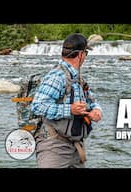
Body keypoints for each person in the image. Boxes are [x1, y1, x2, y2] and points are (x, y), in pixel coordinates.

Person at [31, 33, 102, 168]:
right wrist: (69, 109)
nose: (85, 56)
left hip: (75, 148)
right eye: (86, 53)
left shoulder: (78, 78)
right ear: (80, 54)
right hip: (54, 147)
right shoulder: (57, 76)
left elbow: (92, 100)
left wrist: (96, 110)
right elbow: (37, 106)